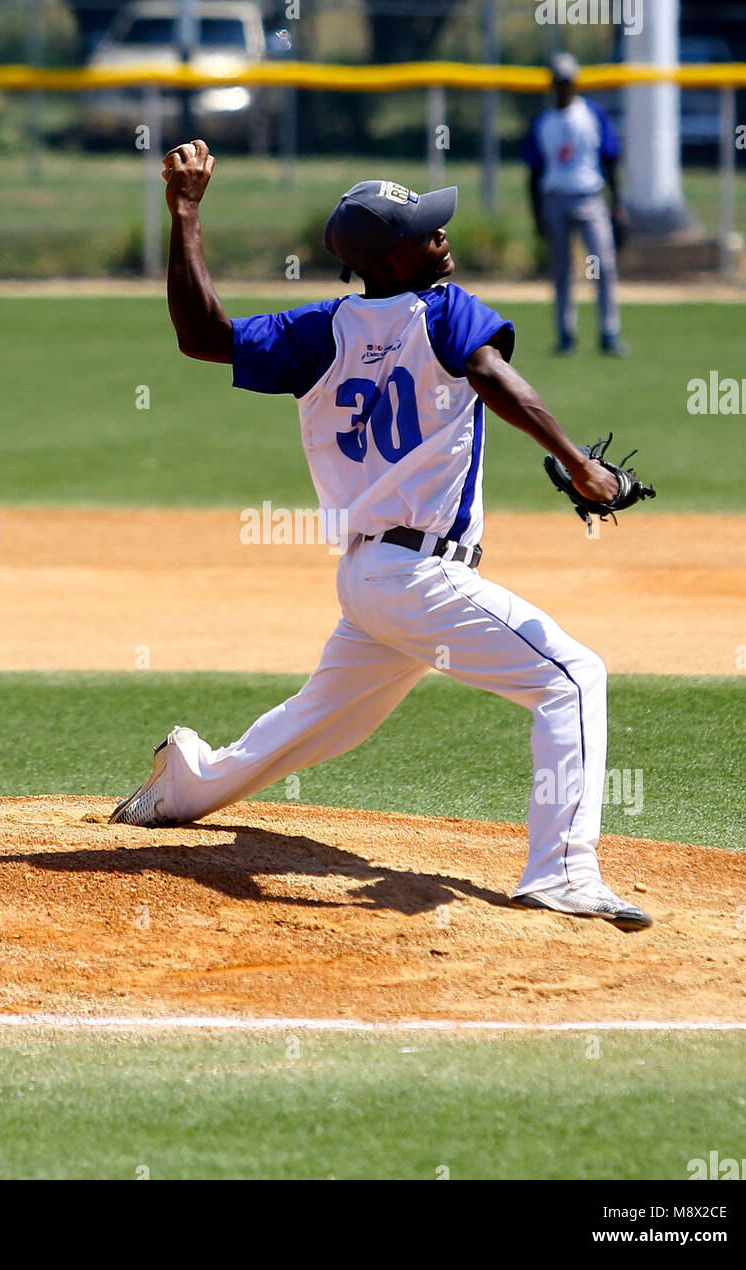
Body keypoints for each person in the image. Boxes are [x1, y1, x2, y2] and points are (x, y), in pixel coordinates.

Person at [112, 139, 652, 932]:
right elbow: (489, 374)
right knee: (571, 678)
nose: (443, 237)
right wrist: (579, 465)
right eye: (427, 231)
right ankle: (562, 875)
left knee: (320, 724)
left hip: (372, 579)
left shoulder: (320, 331)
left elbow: (202, 336)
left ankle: (184, 783)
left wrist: (185, 214)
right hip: (417, 579)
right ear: (394, 259)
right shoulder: (441, 308)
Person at [523, 52, 628, 356]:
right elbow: (534, 171)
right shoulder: (543, 122)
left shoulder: (592, 114)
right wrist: (537, 214)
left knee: (604, 265)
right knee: (562, 270)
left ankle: (609, 332)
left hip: (590, 196)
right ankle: (565, 333)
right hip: (555, 198)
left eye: (568, 82)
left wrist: (617, 202)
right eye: (559, 82)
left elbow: (610, 159)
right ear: (552, 85)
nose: (564, 88)